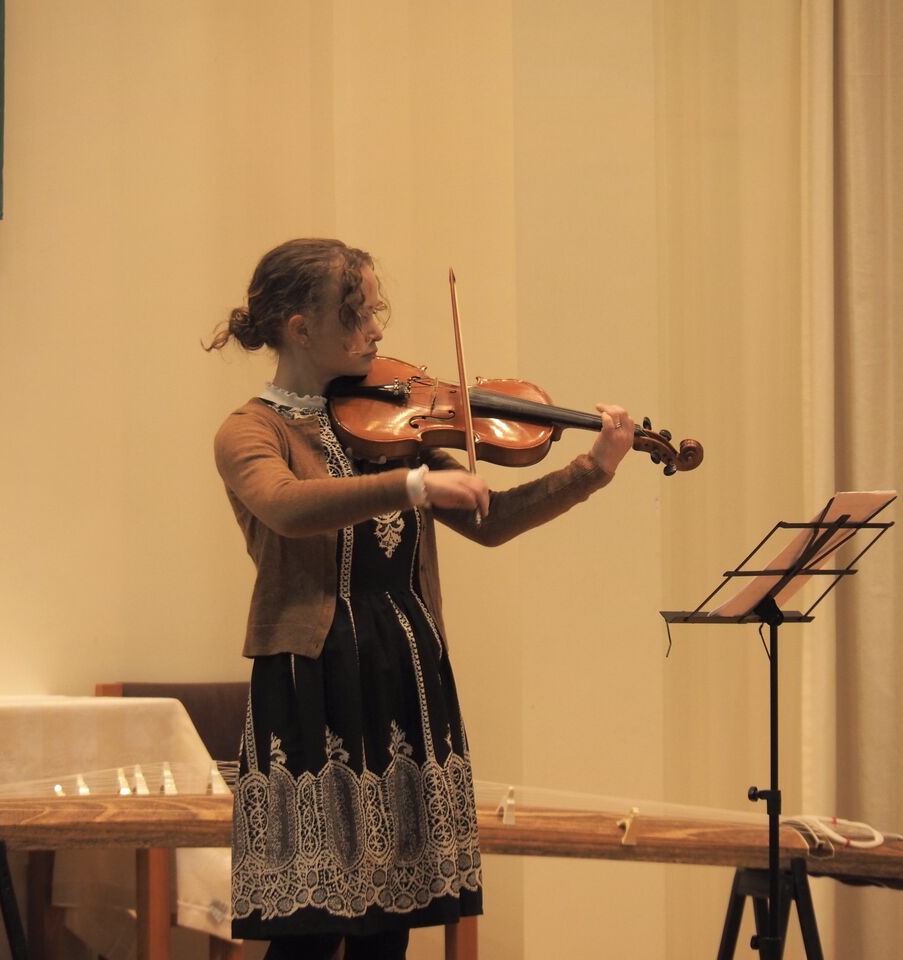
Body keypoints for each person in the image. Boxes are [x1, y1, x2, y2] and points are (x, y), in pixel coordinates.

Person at [208, 238, 634, 959]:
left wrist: (592, 468)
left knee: (391, 921)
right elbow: (284, 506)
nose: (377, 330)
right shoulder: (252, 430)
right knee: (311, 924)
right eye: (357, 314)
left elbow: (488, 520)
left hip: (404, 664)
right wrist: (411, 484)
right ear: (300, 327)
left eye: (377, 311)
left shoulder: (387, 420)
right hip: (313, 672)